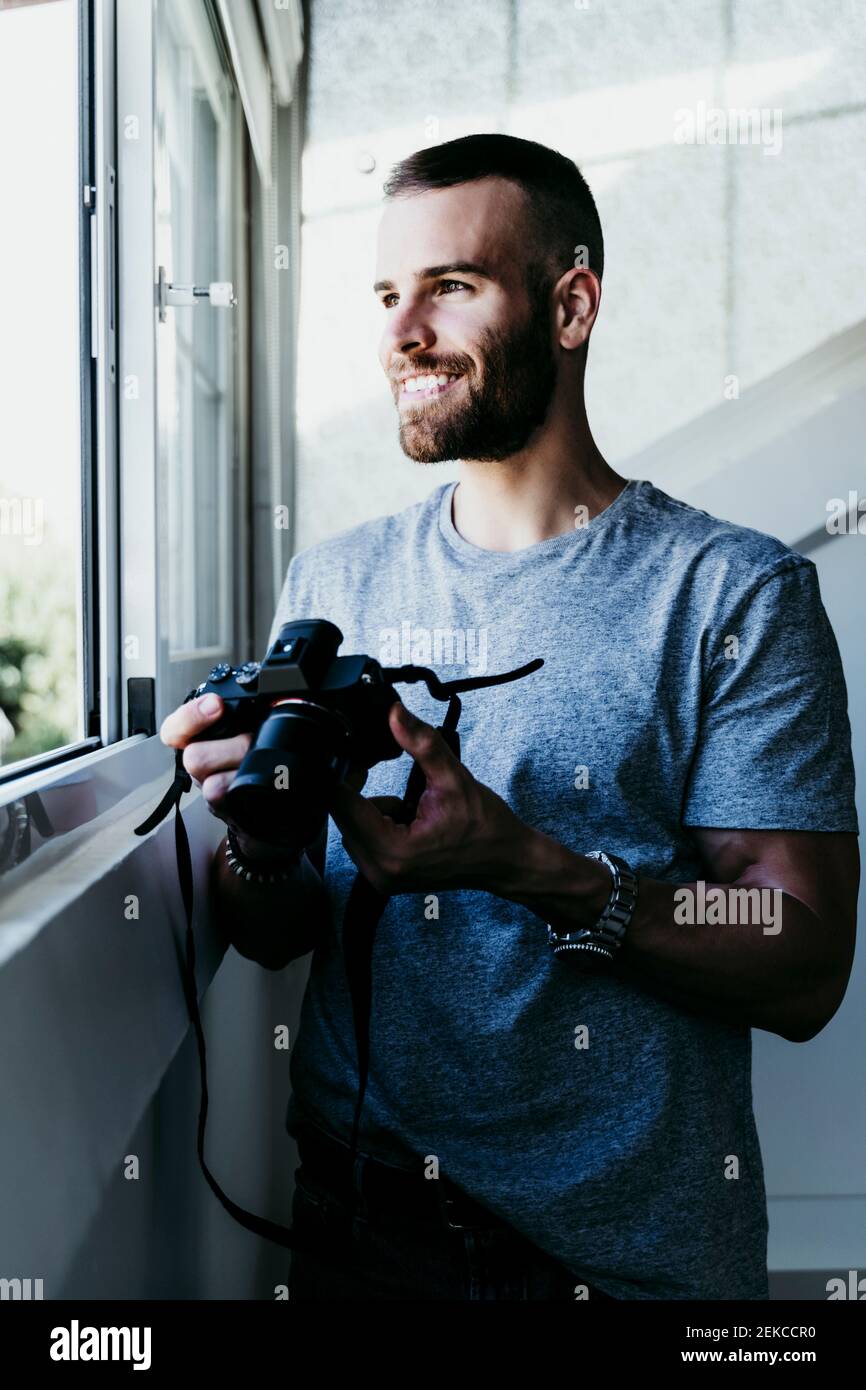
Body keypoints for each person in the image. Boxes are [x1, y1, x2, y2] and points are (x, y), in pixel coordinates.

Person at [160, 134, 860, 1301]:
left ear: (570, 303)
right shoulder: (331, 586)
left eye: (450, 286)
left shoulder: (730, 594)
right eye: (388, 294)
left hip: (626, 1264)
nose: (399, 334)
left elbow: (800, 955)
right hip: (359, 1223)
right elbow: (277, 929)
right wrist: (257, 840)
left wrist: (531, 865)